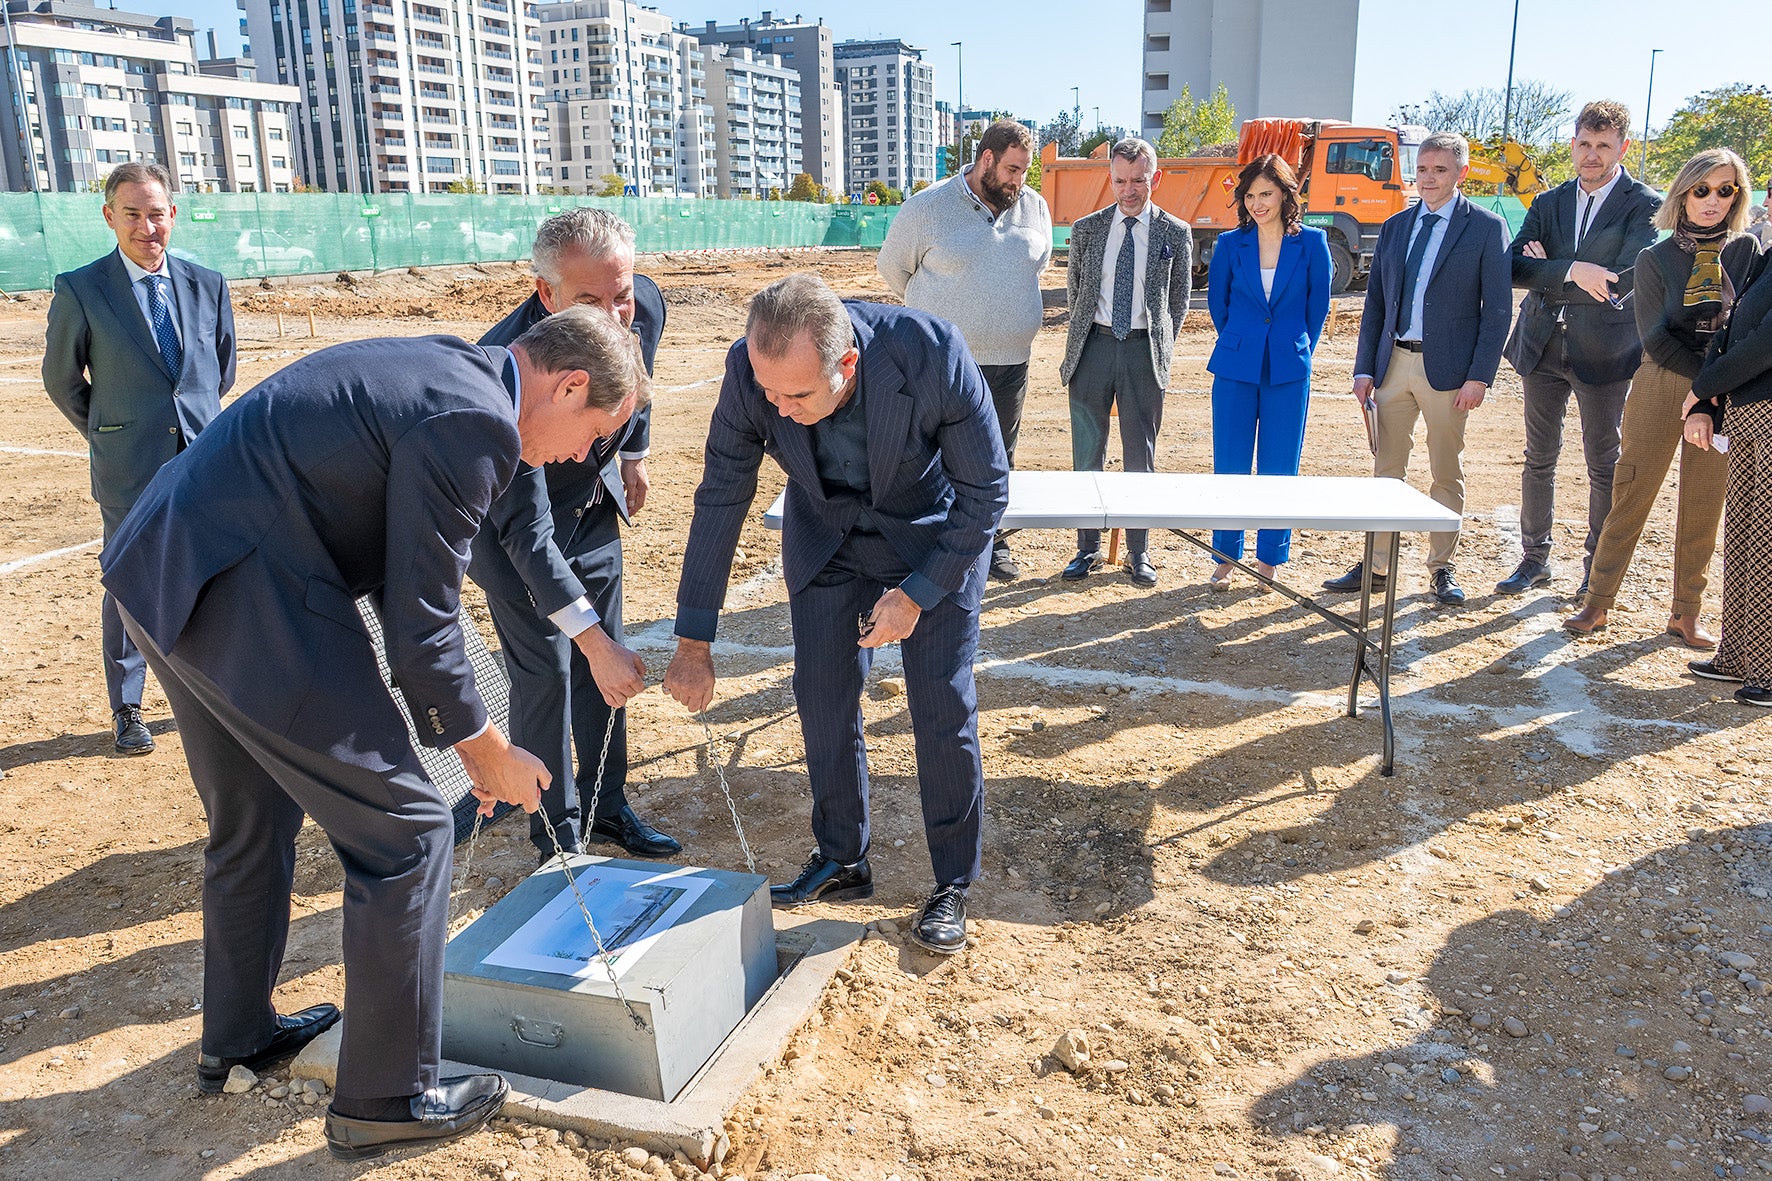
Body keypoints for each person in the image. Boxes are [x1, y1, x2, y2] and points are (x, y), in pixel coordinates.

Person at [100, 308, 648, 1159]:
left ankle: (239, 1037)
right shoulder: (478, 424)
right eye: (592, 433)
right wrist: (485, 751)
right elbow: (424, 628)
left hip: (167, 567)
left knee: (254, 815)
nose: (581, 456)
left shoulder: (451, 369)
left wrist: (468, 731)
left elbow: (408, 595)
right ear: (569, 384)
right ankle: (386, 1095)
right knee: (410, 834)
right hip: (249, 593)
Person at [663, 273, 1007, 955]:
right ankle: (843, 857)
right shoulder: (751, 369)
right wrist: (694, 637)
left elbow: (986, 492)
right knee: (821, 695)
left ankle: (951, 884)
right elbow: (722, 494)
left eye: (797, 394)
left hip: (929, 534)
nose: (778, 409)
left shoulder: (932, 353)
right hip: (825, 536)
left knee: (940, 703)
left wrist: (917, 592)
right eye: (769, 392)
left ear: (846, 365)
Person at [469, 209, 678, 866]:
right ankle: (556, 838)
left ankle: (606, 803)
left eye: (622, 294)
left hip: (590, 509)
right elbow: (528, 538)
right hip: (515, 536)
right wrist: (586, 639)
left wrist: (633, 454)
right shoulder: (502, 375)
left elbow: (636, 384)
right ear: (547, 297)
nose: (617, 315)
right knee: (548, 670)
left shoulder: (641, 306)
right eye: (592, 301)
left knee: (605, 665)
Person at [42, 161, 236, 755]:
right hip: (128, 468)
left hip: (202, 460)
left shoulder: (208, 283)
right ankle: (128, 707)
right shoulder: (82, 288)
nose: (147, 227)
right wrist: (110, 432)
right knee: (130, 582)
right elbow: (61, 379)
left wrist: (189, 427)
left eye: (157, 214)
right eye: (133, 215)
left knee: (215, 573)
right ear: (110, 217)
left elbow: (219, 370)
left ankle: (219, 693)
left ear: (172, 215)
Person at [1565, 149, 1759, 645]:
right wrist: (1703, 389)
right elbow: (1656, 338)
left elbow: (1745, 329)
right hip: (1665, 378)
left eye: (1725, 190)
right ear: (1683, 193)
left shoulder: (1748, 253)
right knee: (1632, 491)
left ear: (1737, 197)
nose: (1712, 200)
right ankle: (1598, 602)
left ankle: (1685, 612)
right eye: (1702, 189)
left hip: (1723, 386)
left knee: (1704, 502)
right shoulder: (1654, 258)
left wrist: (1713, 392)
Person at [1323, 132, 1512, 606]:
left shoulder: (1486, 228)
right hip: (1393, 366)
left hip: (1449, 373)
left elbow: (1497, 312)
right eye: (1423, 169)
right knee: (1386, 470)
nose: (1429, 179)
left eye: (1440, 170)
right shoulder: (1395, 226)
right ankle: (1379, 564)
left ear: (1461, 173)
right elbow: (1377, 303)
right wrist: (1364, 368)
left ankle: (1441, 567)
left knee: (1446, 470)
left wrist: (1480, 376)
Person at [1499, 99, 1661, 597]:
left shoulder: (1645, 204)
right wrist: (1574, 270)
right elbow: (1515, 268)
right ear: (1573, 144)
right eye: (1584, 145)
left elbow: (1620, 282)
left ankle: (1598, 568)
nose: (1592, 155)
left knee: (1603, 461)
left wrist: (1555, 266)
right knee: (1538, 457)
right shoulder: (1548, 203)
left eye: (1603, 146)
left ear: (1623, 147)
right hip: (1542, 344)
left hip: (1607, 352)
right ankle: (1534, 559)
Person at [878, 119, 1050, 583]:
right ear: (986, 159)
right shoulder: (927, 208)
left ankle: (992, 545)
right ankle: (928, 545)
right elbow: (894, 271)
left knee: (998, 458)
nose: (1019, 181)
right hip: (940, 364)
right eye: (1012, 169)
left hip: (1010, 362)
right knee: (932, 455)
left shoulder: (1035, 208)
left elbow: (1036, 265)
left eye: (1025, 172)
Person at [1057, 137, 1193, 588]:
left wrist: (1157, 344)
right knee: (1086, 455)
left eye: (1138, 180)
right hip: (1092, 349)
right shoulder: (1087, 229)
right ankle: (1087, 548)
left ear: (1155, 178)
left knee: (1141, 457)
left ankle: (1139, 551)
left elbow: (1179, 302)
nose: (1129, 190)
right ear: (1110, 179)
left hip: (1142, 352)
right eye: (1120, 180)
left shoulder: (1175, 232)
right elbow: (1077, 293)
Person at [1204, 153, 1332, 590]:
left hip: (1288, 367)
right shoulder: (1228, 244)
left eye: (1267, 194)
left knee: (1281, 465)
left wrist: (1292, 347)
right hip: (1236, 366)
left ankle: (1270, 558)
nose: (1258, 204)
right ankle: (1225, 555)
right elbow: (1218, 306)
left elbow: (1318, 308)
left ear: (1285, 194)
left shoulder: (1313, 244)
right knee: (1231, 463)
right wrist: (1244, 341)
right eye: (1251, 195)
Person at [1683, 235, 1772, 706]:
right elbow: (1730, 328)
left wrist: (1702, 387)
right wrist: (1709, 392)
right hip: (1750, 412)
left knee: (1767, 546)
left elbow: (1763, 344)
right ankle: (1740, 655)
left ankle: (1768, 668)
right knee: (1742, 537)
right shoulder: (1765, 256)